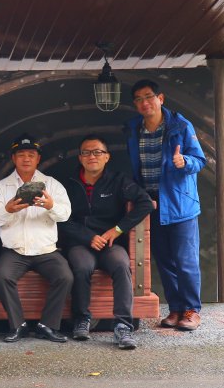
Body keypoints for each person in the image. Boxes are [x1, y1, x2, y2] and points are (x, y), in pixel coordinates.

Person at [124, 79, 207, 331]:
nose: (144, 103)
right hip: (151, 203)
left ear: (160, 98)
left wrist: (185, 162)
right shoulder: (133, 129)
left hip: (180, 203)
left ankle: (192, 310)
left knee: (185, 260)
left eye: (148, 97)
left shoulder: (181, 126)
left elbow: (199, 160)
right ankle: (176, 308)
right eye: (138, 99)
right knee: (163, 259)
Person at [59, 135, 154, 349]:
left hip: (110, 242)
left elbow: (145, 203)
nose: (92, 156)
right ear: (80, 158)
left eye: (97, 152)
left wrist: (117, 229)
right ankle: (82, 319)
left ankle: (123, 326)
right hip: (80, 243)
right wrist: (87, 237)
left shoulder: (118, 180)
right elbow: (61, 219)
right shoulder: (68, 184)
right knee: (82, 266)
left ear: (107, 157)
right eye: (86, 152)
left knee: (121, 265)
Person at [0, 133, 72, 343]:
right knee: (2, 277)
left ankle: (47, 325)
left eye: (31, 155)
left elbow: (66, 214)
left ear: (38, 159)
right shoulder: (1, 187)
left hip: (46, 250)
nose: (26, 159)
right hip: (14, 250)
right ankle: (18, 326)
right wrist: (7, 209)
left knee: (65, 277)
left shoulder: (52, 184)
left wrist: (51, 206)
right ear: (14, 158)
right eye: (21, 154)